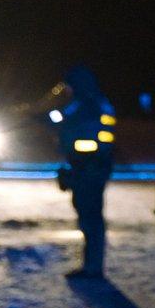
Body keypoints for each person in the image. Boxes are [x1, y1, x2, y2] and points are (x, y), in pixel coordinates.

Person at [49, 65, 117, 278]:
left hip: (91, 168)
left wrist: (84, 155)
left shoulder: (93, 104)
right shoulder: (79, 103)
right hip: (83, 167)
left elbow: (102, 138)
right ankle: (90, 265)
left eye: (69, 85)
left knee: (91, 216)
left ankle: (93, 268)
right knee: (85, 214)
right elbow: (62, 121)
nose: (66, 89)